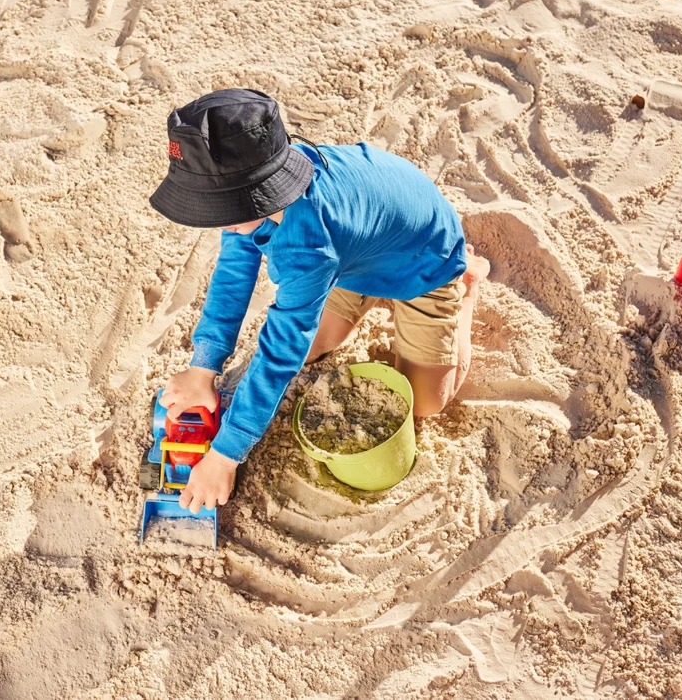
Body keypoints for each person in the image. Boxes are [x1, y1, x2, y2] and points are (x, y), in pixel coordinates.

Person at [151, 88, 489, 514]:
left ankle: (467, 282)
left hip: (423, 260)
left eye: (218, 209)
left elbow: (278, 356)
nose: (217, 222)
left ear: (262, 193)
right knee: (317, 342)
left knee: (426, 403)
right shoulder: (256, 193)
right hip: (360, 249)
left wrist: (225, 455)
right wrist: (204, 365)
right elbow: (233, 275)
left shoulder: (305, 251)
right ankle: (368, 290)